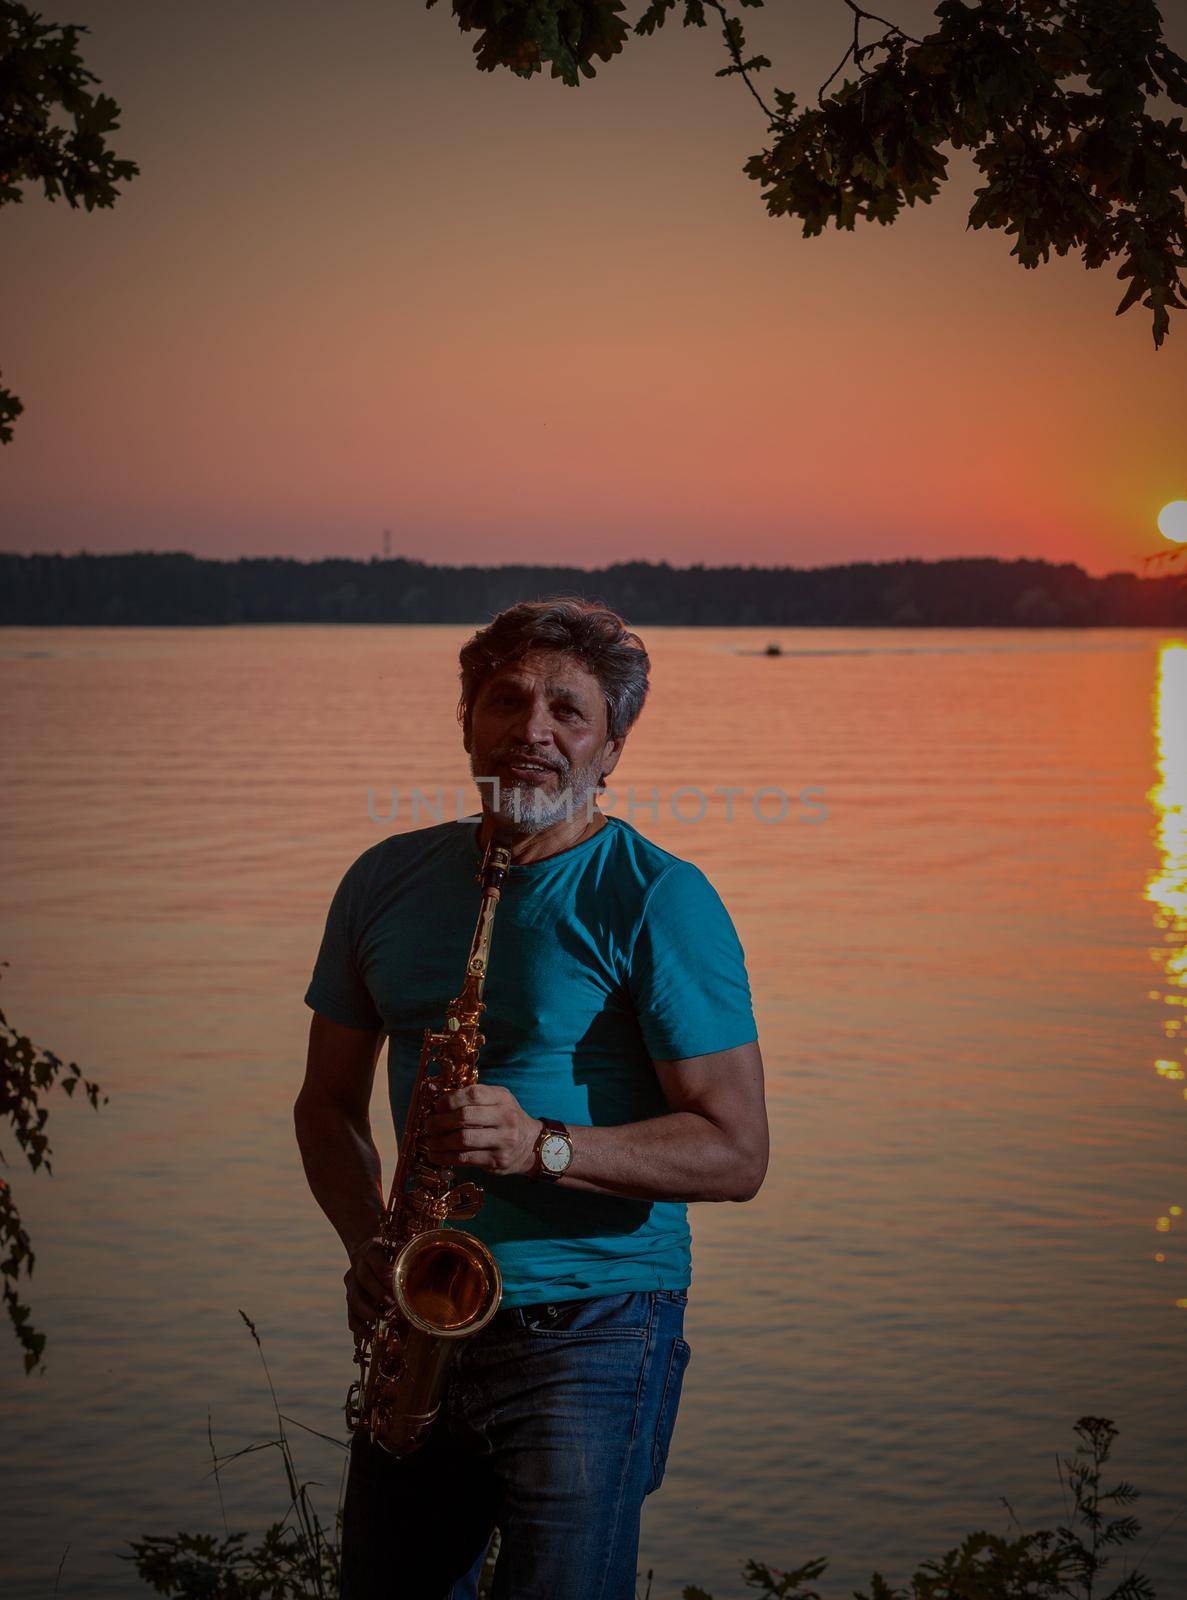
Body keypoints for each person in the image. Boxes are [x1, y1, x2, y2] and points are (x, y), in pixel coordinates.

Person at [294, 597, 769, 1600]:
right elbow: (325, 1105)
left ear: (612, 747)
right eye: (506, 700)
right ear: (466, 720)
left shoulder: (656, 896)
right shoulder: (381, 879)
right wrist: (368, 1246)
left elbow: (735, 1149)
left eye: (567, 711)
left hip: (591, 1325)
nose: (532, 730)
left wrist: (541, 1145)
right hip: (418, 1324)